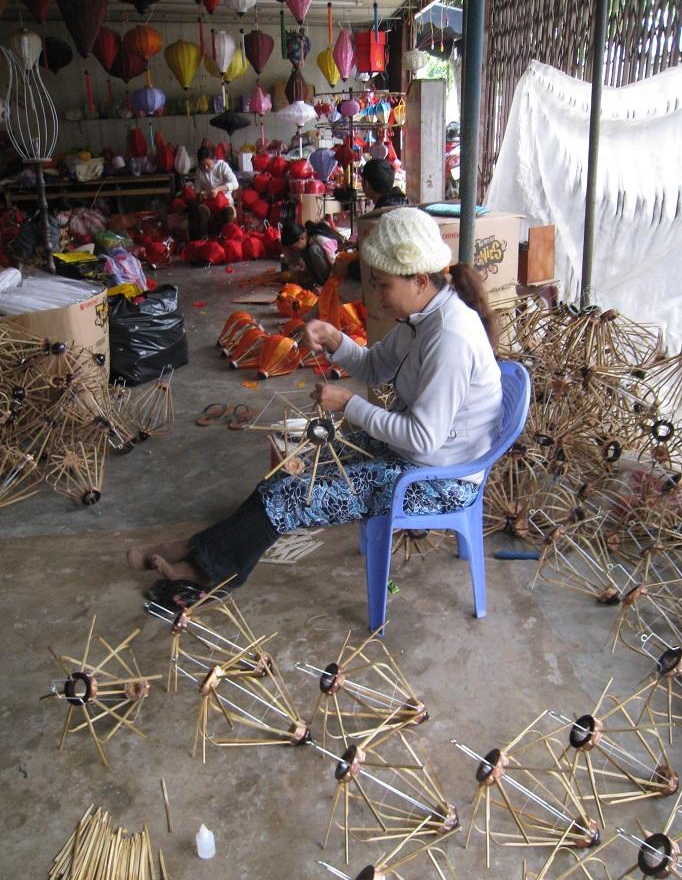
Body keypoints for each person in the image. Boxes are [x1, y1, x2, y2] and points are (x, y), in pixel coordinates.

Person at [127, 207, 503, 598]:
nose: (375, 295)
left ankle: (212, 570)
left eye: (383, 285)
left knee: (297, 495)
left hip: (438, 479)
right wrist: (335, 339)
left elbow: (422, 438)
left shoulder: (449, 338)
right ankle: (199, 548)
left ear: (420, 280)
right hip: (414, 454)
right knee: (297, 467)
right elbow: (374, 366)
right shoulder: (420, 318)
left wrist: (348, 404)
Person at [193, 145, 239, 237]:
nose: (205, 167)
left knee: (229, 213)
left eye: (208, 164)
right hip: (209, 204)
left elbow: (235, 184)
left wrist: (218, 189)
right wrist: (201, 195)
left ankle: (227, 238)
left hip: (225, 202)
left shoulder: (222, 166)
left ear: (213, 159)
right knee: (200, 211)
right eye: (202, 165)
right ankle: (204, 238)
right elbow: (197, 190)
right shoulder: (199, 172)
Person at [280, 219, 342, 287]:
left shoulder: (321, 240)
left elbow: (336, 265)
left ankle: (324, 285)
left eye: (295, 247)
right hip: (322, 275)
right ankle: (317, 282)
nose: (295, 249)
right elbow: (293, 263)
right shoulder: (305, 243)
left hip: (336, 274)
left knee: (313, 250)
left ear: (302, 238)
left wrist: (328, 286)